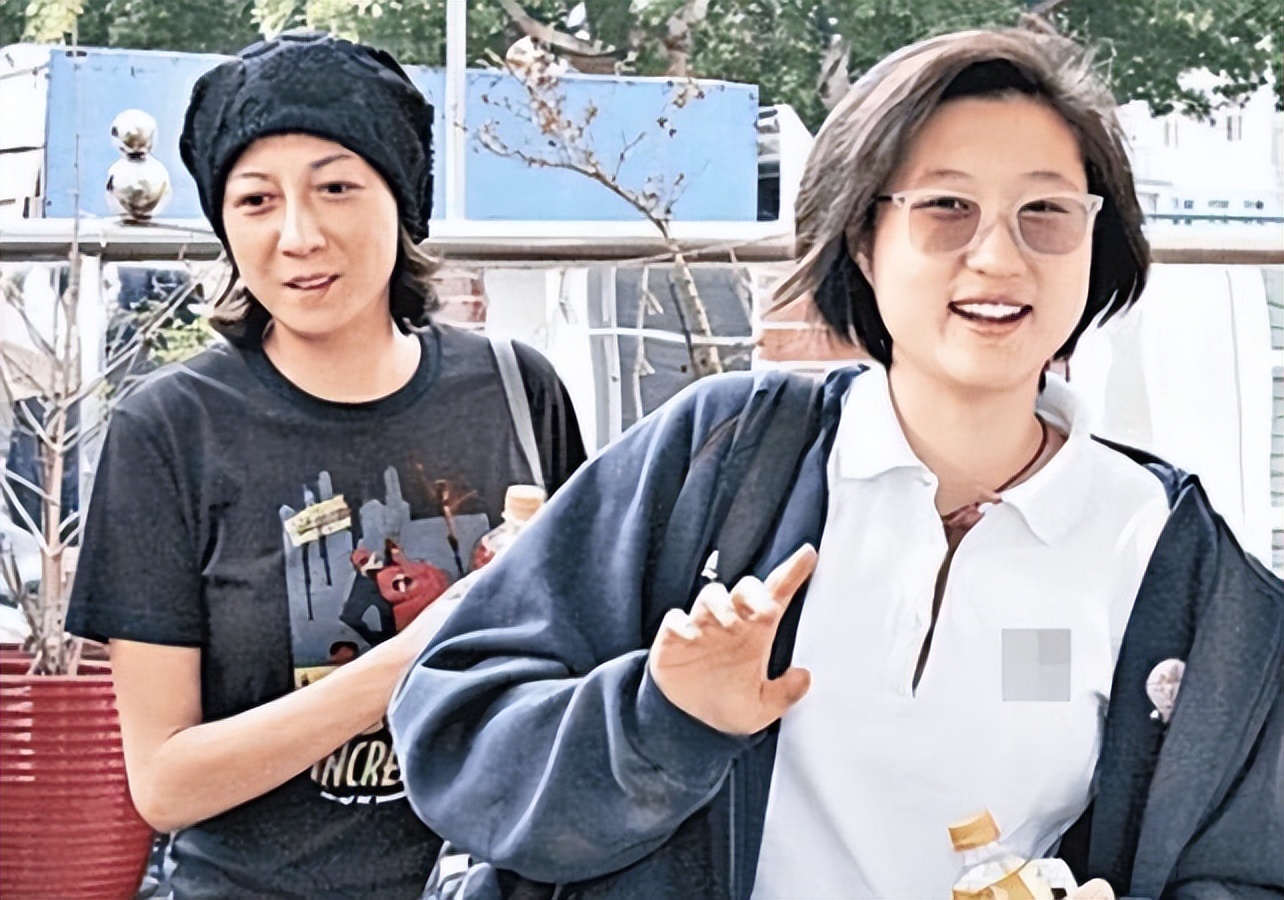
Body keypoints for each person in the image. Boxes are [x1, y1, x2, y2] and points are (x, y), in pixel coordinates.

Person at [388, 27, 1284, 900]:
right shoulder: (723, 457)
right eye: (946, 207)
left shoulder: (1167, 552)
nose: (998, 256)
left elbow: (1243, 860)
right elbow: (459, 729)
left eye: (1045, 212)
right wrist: (663, 718)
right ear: (862, 238)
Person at [65, 32, 587, 899]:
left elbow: (585, 666)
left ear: (401, 198)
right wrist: (416, 654)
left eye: (336, 187)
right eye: (256, 200)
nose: (298, 236)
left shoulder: (516, 391)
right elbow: (164, 782)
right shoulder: (170, 428)